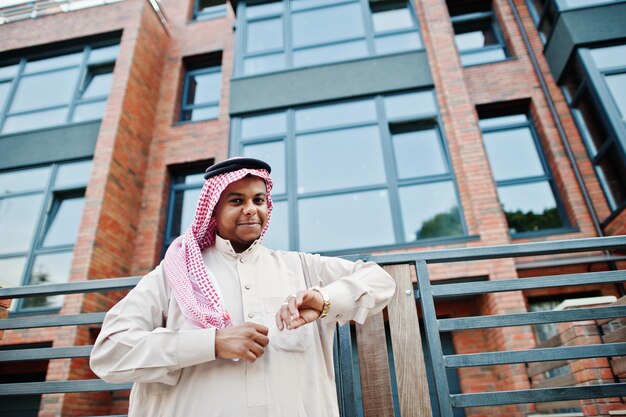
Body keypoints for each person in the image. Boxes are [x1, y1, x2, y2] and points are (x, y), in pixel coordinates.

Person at [90, 157, 396, 417]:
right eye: (237, 201)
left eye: (258, 200)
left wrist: (325, 299)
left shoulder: (301, 267)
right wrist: (211, 342)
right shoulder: (174, 274)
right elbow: (109, 352)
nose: (251, 209)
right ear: (212, 210)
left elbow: (380, 280)